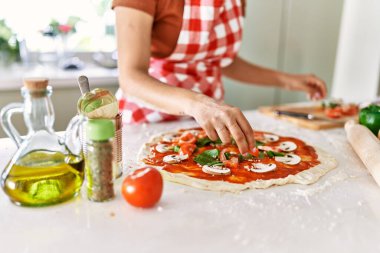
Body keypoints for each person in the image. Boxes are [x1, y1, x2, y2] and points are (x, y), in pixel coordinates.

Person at [112, 0, 327, 154]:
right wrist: (198, 104)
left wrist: (287, 81)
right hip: (148, 120)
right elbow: (131, 76)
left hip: (208, 125)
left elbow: (222, 60)